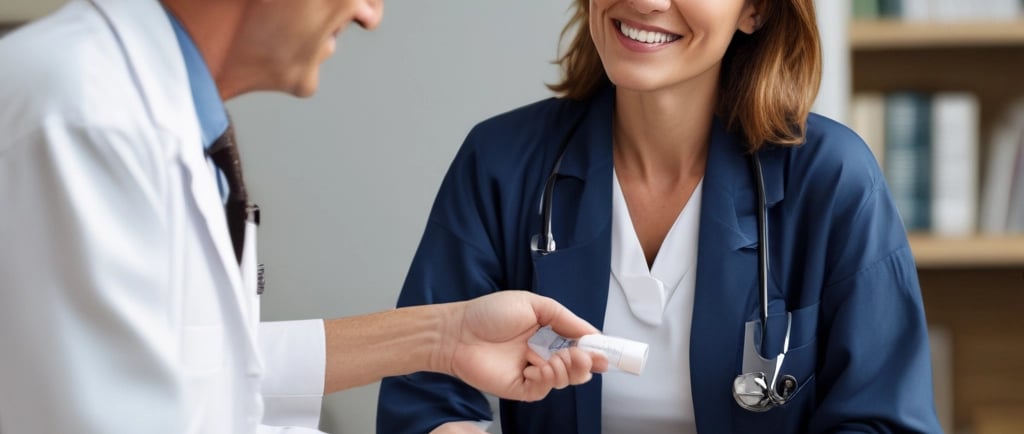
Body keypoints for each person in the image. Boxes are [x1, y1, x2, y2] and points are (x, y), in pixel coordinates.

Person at [0, 0, 608, 432]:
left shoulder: (155, 113)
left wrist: (443, 339)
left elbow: (200, 367)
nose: (371, 13)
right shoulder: (80, 119)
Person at [377, 0, 943, 432]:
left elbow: (884, 417)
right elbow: (425, 388)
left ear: (756, 10)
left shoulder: (832, 179)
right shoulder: (501, 161)